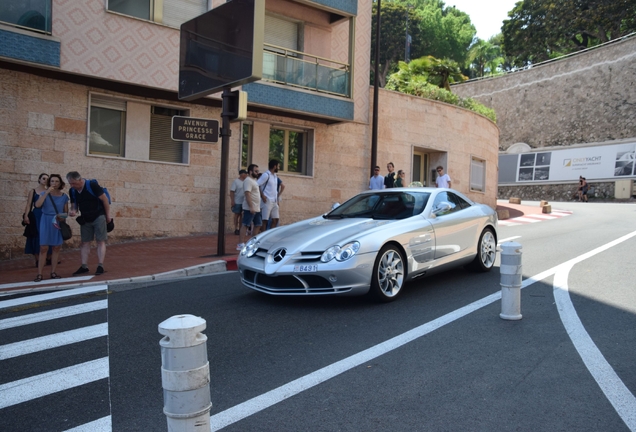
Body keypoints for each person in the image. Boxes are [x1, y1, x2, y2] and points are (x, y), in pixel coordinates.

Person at [66, 172, 112, 276]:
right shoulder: (72, 191)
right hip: (85, 218)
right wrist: (73, 211)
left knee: (100, 241)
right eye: (70, 183)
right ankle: (84, 266)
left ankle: (100, 265)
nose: (72, 186)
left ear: (80, 180)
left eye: (74, 183)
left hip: (98, 216)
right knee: (84, 242)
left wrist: (107, 216)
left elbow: (105, 200)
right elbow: (74, 205)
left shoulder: (92, 185)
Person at [33, 174, 69, 282]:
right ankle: (39, 274)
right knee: (43, 248)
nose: (54, 183)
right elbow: (38, 205)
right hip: (45, 220)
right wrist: (47, 192)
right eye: (52, 181)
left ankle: (53, 272)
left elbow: (65, 213)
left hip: (56, 222)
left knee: (56, 247)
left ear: (60, 183)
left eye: (57, 181)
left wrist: (61, 217)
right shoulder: (44, 193)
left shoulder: (64, 197)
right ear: (49, 183)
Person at [23, 173, 53, 267]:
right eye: (43, 178)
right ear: (39, 179)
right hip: (36, 215)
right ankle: (37, 260)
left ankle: (48, 258)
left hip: (47, 215)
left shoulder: (49, 191)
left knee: (48, 235)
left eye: (47, 179)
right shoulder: (33, 191)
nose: (45, 180)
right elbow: (29, 204)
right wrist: (26, 216)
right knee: (36, 235)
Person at [237, 164, 262, 250]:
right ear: (250, 171)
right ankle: (240, 244)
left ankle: (252, 243)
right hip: (250, 208)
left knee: (258, 225)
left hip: (257, 208)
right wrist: (251, 207)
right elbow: (247, 193)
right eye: (256, 171)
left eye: (258, 171)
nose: (257, 173)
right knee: (245, 225)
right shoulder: (248, 181)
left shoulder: (254, 181)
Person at [258, 159, 284, 233]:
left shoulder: (275, 176)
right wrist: (262, 195)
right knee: (265, 220)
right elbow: (257, 185)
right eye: (278, 166)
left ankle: (269, 234)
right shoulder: (266, 175)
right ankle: (262, 235)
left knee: (275, 219)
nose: (278, 168)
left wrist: (277, 198)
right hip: (267, 200)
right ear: (274, 166)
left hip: (274, 201)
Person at [230, 169, 248, 235]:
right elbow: (232, 191)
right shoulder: (236, 181)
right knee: (236, 215)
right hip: (237, 201)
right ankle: (236, 228)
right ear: (242, 174)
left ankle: (240, 228)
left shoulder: (246, 181)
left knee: (241, 216)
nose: (246, 175)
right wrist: (232, 200)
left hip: (244, 201)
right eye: (245, 173)